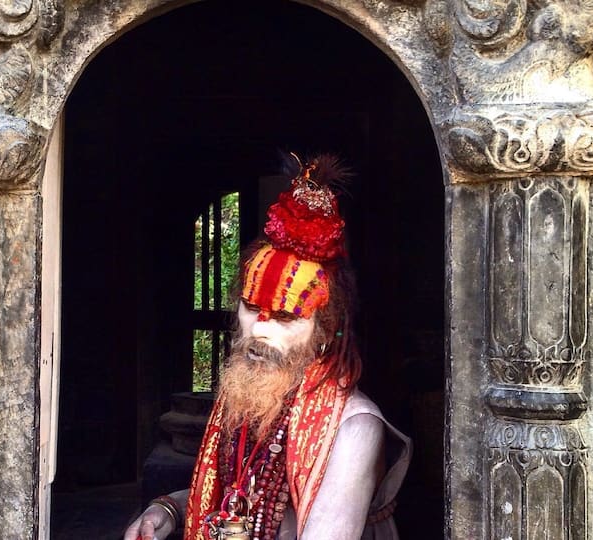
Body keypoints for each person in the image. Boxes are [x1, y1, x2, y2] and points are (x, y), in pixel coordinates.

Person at [124, 153, 412, 540]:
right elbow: (242, 496)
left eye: (285, 317)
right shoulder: (254, 395)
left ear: (324, 331)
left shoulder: (354, 428)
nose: (260, 330)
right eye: (251, 307)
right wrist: (170, 509)